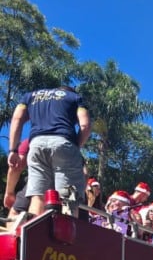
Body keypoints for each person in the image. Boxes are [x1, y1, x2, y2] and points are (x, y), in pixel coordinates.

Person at [7, 85, 91, 216]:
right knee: (68, 198)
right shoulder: (75, 98)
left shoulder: (30, 96)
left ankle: (34, 233)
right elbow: (85, 125)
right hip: (64, 142)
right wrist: (75, 146)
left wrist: (12, 150)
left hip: (36, 145)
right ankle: (66, 234)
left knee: (38, 196)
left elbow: (17, 118)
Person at [3, 138, 29, 212]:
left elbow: (16, 167)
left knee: (14, 215)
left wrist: (9, 192)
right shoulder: (63, 135)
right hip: (62, 184)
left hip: (40, 181)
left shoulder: (34, 137)